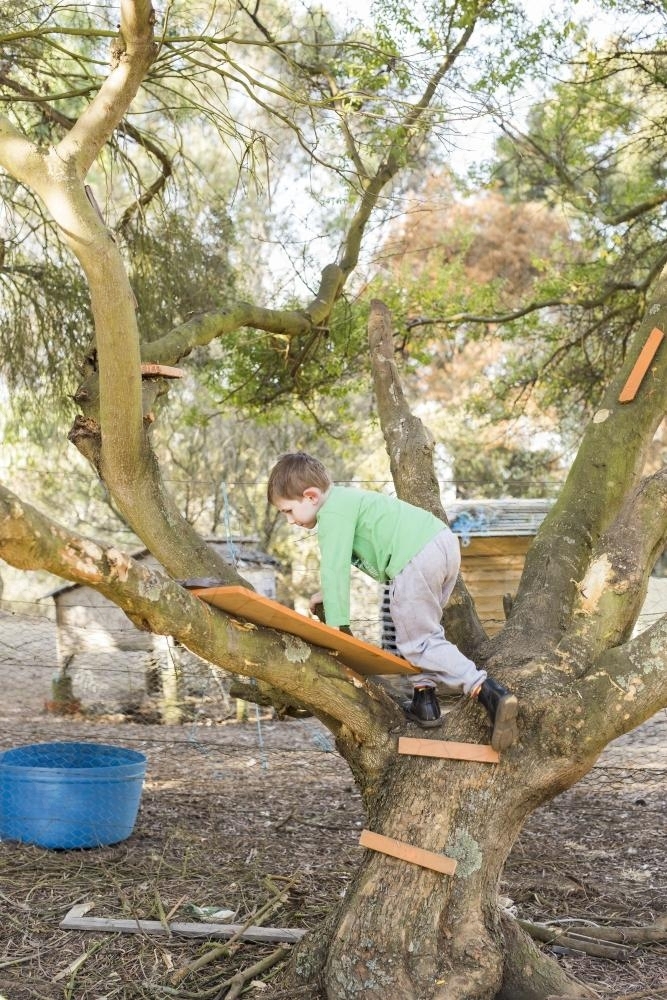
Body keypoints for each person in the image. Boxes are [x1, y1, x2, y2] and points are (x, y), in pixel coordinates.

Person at [267, 452, 518, 750]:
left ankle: (488, 692)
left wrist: (336, 632)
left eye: (288, 511)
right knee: (414, 631)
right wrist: (326, 595)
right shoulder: (347, 502)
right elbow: (340, 567)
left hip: (414, 557)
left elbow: (333, 568)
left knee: (419, 643)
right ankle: (425, 699)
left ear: (310, 496)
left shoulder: (331, 513)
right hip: (440, 546)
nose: (290, 521)